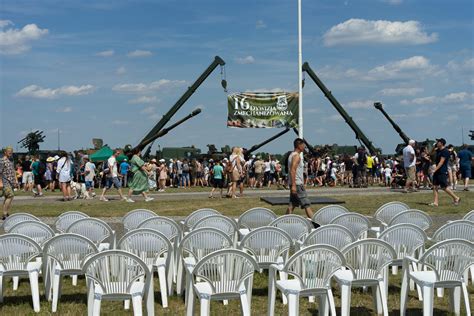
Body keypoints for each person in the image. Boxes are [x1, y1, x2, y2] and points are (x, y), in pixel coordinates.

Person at [287, 138, 316, 223]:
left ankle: (281, 223)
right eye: (303, 145)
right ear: (299, 145)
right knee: (306, 204)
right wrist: (294, 185)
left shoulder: (291, 155)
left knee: (292, 205)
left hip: (295, 183)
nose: (305, 147)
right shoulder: (296, 156)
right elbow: (292, 170)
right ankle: (317, 225)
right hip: (297, 184)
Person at [430, 138, 460, 207]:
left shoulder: (445, 151)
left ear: (442, 143)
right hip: (437, 171)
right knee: (434, 186)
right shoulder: (438, 150)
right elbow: (430, 153)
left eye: (438, 142)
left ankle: (456, 198)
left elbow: (441, 162)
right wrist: (434, 147)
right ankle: (435, 202)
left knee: (444, 187)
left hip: (442, 171)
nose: (437, 143)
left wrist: (435, 170)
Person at [0, 146, 18, 220]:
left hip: (11, 182)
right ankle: (4, 213)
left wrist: (16, 180)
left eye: (11, 151)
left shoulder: (11, 160)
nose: (10, 153)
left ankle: (5, 213)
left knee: (8, 197)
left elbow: (13, 171)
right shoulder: (2, 161)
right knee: (10, 196)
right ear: (5, 152)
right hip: (5, 181)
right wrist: (0, 182)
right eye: (9, 151)